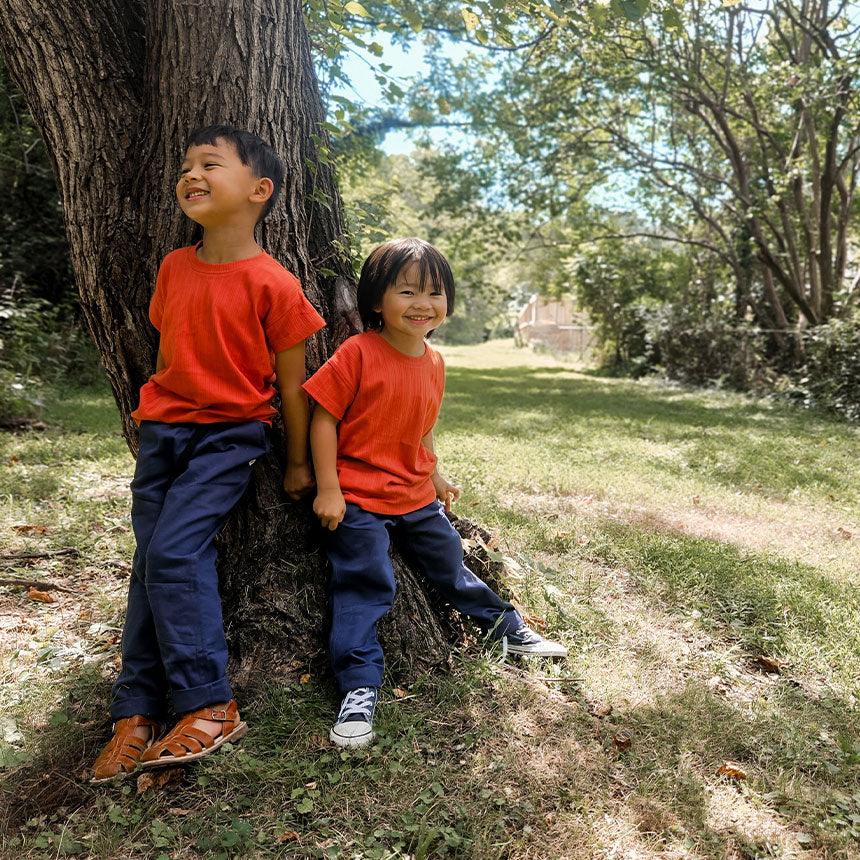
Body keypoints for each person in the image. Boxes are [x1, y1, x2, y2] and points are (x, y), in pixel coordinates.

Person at [91, 125, 325, 781]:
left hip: (228, 437)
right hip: (164, 433)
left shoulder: (274, 284)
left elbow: (291, 386)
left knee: (171, 551)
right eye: (187, 164)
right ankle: (135, 712)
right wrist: (159, 411)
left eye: (210, 164)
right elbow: (169, 355)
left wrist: (301, 462)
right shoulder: (174, 267)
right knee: (151, 564)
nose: (191, 173)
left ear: (258, 191)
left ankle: (210, 704)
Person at [303, 237, 566, 749]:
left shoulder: (435, 361)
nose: (423, 304)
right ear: (377, 300)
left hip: (416, 493)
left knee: (452, 562)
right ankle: (359, 686)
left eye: (435, 292)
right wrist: (329, 489)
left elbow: (421, 425)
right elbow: (323, 419)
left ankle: (505, 629)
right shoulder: (357, 353)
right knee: (365, 583)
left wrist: (436, 474)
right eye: (407, 291)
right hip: (357, 496)